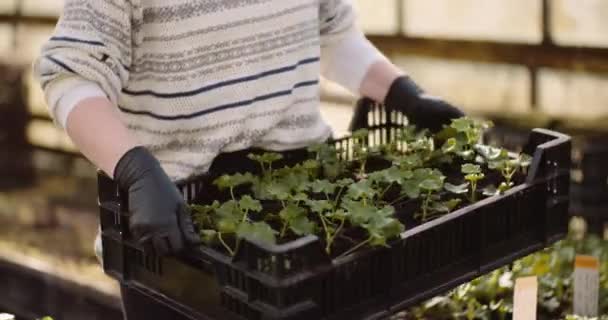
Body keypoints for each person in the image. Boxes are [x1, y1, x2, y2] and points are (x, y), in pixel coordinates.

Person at [34, 0, 464, 318]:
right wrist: (135, 168)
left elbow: (331, 35)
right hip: (180, 230)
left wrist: (402, 92)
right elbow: (71, 75)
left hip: (303, 208)